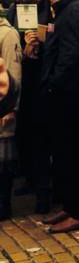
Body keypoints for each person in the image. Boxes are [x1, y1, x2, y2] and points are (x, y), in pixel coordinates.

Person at [40, 0, 79, 234]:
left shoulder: (73, 11)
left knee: (69, 153)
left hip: (69, 95)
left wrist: (53, 84)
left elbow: (70, 55)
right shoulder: (67, 10)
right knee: (62, 154)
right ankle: (71, 207)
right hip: (66, 92)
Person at [6, 0, 52, 213]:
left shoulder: (53, 10)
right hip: (19, 80)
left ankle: (44, 192)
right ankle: (29, 179)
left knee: (41, 140)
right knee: (23, 136)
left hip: (42, 85)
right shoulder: (14, 10)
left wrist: (40, 45)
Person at [0, 14, 22, 220]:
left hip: (2, 107)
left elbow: (13, 70)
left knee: (2, 160)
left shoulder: (7, 34)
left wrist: (10, 106)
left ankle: (3, 205)